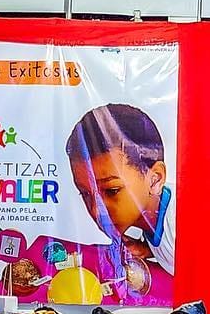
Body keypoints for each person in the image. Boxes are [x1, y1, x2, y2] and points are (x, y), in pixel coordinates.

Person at [65, 103, 175, 303]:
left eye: (112, 190)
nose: (96, 211)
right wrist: (148, 249)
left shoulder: (186, 224)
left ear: (155, 179)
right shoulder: (155, 220)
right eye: (86, 194)